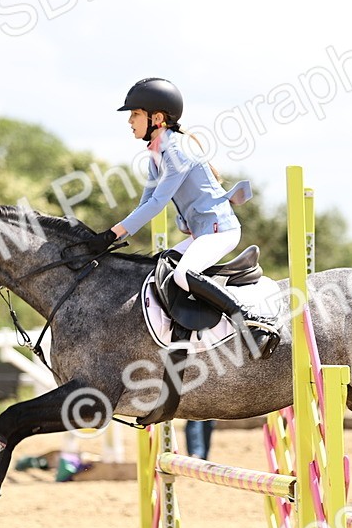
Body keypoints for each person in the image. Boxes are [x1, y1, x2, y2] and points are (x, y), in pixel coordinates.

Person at [94, 77, 280, 359]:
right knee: (162, 266)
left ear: (156, 118)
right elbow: (146, 201)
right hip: (202, 233)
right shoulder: (157, 152)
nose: (130, 121)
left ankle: (251, 323)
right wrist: (114, 235)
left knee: (182, 274)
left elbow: (156, 204)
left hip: (220, 232)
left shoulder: (178, 151)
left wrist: (112, 233)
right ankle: (182, 336)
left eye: (135, 114)